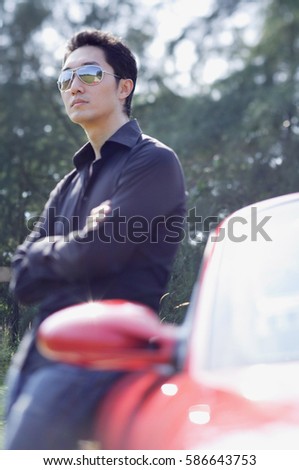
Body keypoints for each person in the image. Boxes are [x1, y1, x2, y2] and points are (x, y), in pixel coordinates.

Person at [4, 29, 186, 449]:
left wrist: (55, 250)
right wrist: (79, 242)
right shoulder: (68, 183)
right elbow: (21, 279)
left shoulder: (154, 162)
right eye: (65, 78)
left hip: (103, 358)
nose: (74, 86)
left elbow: (100, 254)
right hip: (37, 354)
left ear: (125, 87)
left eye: (88, 73)